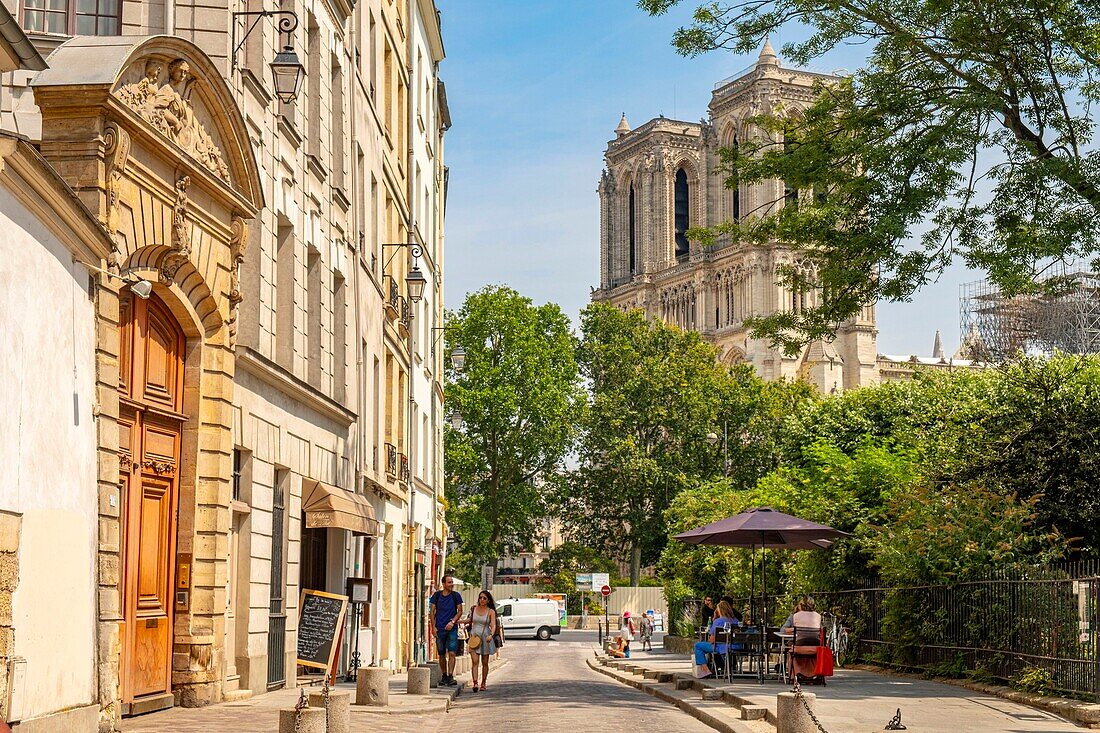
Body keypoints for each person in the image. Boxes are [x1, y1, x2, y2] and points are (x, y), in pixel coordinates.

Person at [429, 576, 464, 687]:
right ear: (443, 584)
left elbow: (460, 611)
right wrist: (433, 627)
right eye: (449, 582)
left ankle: (450, 675)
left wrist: (452, 622)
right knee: (441, 653)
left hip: (452, 629)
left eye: (452, 582)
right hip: (440, 628)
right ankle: (444, 675)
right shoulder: (437, 596)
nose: (451, 584)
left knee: (452, 652)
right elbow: (432, 612)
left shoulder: (456, 596)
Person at [692, 600, 741, 678]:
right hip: (736, 647)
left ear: (719, 610)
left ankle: (706, 670)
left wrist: (714, 617)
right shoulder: (736, 621)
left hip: (721, 647)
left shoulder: (718, 621)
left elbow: (712, 640)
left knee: (698, 646)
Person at [463, 590, 498, 692]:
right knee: (475, 661)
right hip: (474, 637)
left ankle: (483, 682)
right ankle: (475, 682)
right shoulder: (474, 609)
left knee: (485, 662)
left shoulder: (491, 611)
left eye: (484, 598)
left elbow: (493, 625)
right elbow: (469, 620)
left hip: (485, 637)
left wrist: (491, 635)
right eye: (480, 597)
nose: (482, 600)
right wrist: (456, 621)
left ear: (488, 600)